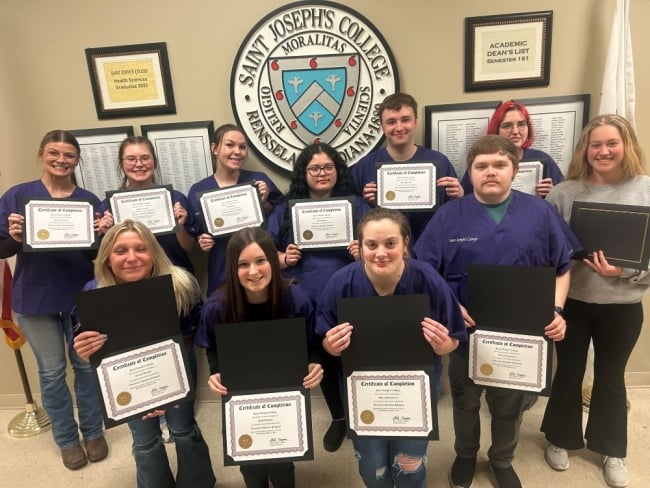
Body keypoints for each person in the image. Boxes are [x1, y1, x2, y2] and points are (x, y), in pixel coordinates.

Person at [413, 135, 574, 488]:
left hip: (519, 335)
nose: (490, 172)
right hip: (465, 332)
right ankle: (466, 453)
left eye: (499, 165)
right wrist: (451, 305)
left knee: (509, 406)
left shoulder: (540, 213)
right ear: (469, 172)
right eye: (481, 166)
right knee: (464, 401)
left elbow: (563, 267)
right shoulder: (448, 216)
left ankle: (501, 458)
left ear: (514, 170)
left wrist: (557, 309)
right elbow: (425, 271)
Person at [316, 207, 466, 488]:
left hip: (415, 385)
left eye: (390, 243)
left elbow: (454, 338)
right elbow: (324, 339)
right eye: (371, 245)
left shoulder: (428, 279)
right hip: (362, 387)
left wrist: (444, 343)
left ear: (405, 243)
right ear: (359, 246)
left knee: (410, 458)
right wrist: (332, 346)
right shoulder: (342, 282)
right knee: (371, 461)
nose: (380, 253)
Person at [540, 114, 650, 488]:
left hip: (623, 306)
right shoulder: (564, 193)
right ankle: (560, 438)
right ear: (585, 150)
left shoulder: (646, 190)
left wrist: (626, 273)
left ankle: (611, 448)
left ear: (627, 146)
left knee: (611, 377)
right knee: (567, 373)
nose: (603, 151)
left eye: (611, 144)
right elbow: (549, 252)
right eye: (596, 144)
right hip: (574, 302)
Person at [73, 219, 216, 488]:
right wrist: (82, 349)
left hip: (176, 367)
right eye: (120, 251)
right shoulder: (94, 293)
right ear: (106, 258)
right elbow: (79, 337)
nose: (131, 258)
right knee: (145, 440)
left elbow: (199, 329)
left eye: (140, 249)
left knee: (183, 429)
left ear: (154, 252)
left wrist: (165, 388)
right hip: (125, 378)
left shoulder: (182, 284)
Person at [0, 130, 108, 470]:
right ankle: (66, 439)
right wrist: (15, 238)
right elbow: (1, 249)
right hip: (36, 298)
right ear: (41, 154)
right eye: (54, 153)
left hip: (80, 295)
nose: (61, 160)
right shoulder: (17, 196)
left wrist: (102, 233)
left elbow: (95, 254)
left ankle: (93, 432)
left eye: (68, 155)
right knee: (51, 373)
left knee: (86, 368)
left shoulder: (89, 200)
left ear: (77, 160)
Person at [265, 141, 370, 452]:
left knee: (356, 357)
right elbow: (261, 247)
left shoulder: (357, 205)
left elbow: (380, 241)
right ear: (303, 173)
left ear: (337, 171)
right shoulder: (285, 209)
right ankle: (339, 418)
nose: (322, 173)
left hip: (353, 294)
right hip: (305, 296)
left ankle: (364, 415)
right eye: (314, 168)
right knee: (321, 359)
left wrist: (361, 251)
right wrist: (282, 259)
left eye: (328, 167)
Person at [198, 227, 323, 488]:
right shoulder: (217, 307)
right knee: (249, 457)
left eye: (260, 261)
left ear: (273, 261)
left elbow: (311, 340)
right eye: (243, 264)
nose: (253, 272)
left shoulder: (296, 299)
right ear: (232, 268)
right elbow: (212, 346)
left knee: (282, 457)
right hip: (242, 392)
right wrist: (215, 371)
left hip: (283, 390)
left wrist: (314, 362)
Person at [351, 92, 464, 241]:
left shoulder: (439, 162)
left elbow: (455, 215)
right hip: (384, 253)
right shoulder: (364, 166)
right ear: (382, 126)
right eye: (391, 122)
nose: (399, 127)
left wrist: (459, 197)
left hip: (431, 248)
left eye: (405, 120)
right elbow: (355, 218)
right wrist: (369, 205)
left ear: (415, 121)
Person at [187, 124, 282, 296]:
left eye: (242, 147)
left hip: (259, 268)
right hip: (222, 269)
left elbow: (278, 218)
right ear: (214, 148)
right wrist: (203, 240)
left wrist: (264, 201)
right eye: (230, 145)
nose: (237, 151)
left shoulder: (258, 181)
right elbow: (197, 233)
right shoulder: (199, 190)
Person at [96, 136, 196, 272]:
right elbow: (106, 259)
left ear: (154, 162)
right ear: (121, 164)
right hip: (132, 281)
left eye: (145, 158)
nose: (139, 164)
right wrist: (108, 233)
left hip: (176, 276)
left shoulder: (176, 198)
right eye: (131, 159)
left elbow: (188, 248)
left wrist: (180, 226)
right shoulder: (108, 206)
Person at [460, 100, 564, 197]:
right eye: (507, 126)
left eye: (521, 124)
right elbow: (467, 198)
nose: (515, 131)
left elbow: (562, 198)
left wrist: (553, 193)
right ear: (497, 130)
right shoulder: (482, 159)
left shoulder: (542, 159)